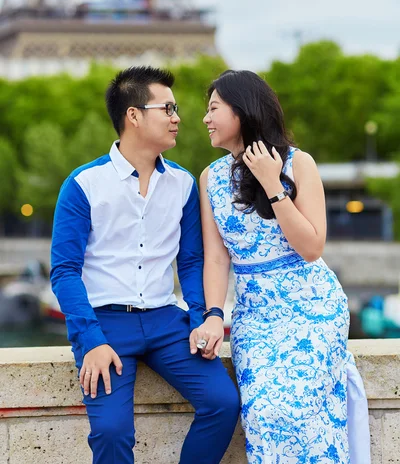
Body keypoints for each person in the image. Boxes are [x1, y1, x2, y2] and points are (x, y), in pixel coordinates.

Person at [51, 66, 240, 464]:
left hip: (165, 322)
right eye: (167, 108)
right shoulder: (83, 184)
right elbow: (64, 271)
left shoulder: (184, 185)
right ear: (133, 115)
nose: (178, 118)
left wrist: (203, 317)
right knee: (111, 432)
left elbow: (190, 262)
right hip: (104, 324)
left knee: (224, 403)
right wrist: (91, 340)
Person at [195, 69, 370, 464]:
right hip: (255, 318)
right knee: (262, 414)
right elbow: (217, 258)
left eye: (213, 108)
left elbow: (311, 247)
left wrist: (272, 184)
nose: (205, 118)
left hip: (312, 309)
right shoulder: (210, 178)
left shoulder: (298, 163)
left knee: (303, 415)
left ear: (242, 110)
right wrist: (213, 314)